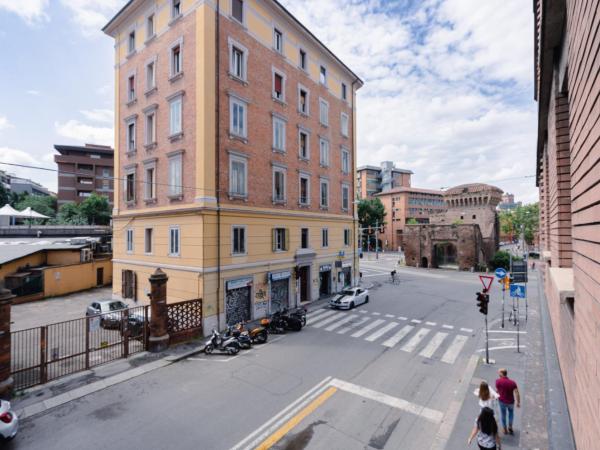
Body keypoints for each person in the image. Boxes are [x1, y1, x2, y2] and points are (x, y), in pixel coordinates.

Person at [495, 368, 520, 435]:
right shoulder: (512, 382)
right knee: (511, 413)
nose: (498, 374)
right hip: (511, 401)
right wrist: (518, 402)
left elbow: (497, 390)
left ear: (502, 374)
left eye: (499, 372)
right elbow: (516, 393)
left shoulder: (498, 381)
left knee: (503, 415)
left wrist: (495, 396)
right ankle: (510, 426)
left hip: (502, 401)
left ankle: (505, 429)